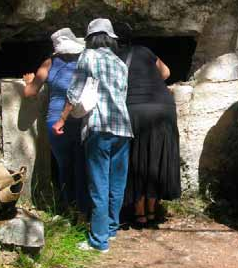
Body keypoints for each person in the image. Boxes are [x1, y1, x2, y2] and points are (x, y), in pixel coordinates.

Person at [52, 18, 133, 253]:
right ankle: (110, 228)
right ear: (110, 38)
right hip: (123, 128)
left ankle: (98, 241)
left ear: (90, 39)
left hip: (99, 126)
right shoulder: (120, 63)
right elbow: (122, 94)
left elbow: (75, 92)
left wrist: (62, 119)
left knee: (99, 183)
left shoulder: (87, 57)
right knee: (117, 182)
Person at [117, 25, 181, 228]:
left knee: (137, 159)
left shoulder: (113, 56)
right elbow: (166, 72)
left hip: (135, 108)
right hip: (164, 107)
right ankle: (153, 210)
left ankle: (139, 213)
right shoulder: (144, 51)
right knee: (157, 158)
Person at [23, 28, 88, 217]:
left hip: (55, 120)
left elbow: (30, 93)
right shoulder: (84, 61)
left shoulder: (49, 63)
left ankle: (69, 208)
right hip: (80, 119)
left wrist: (29, 81)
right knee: (82, 164)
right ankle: (84, 209)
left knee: (64, 166)